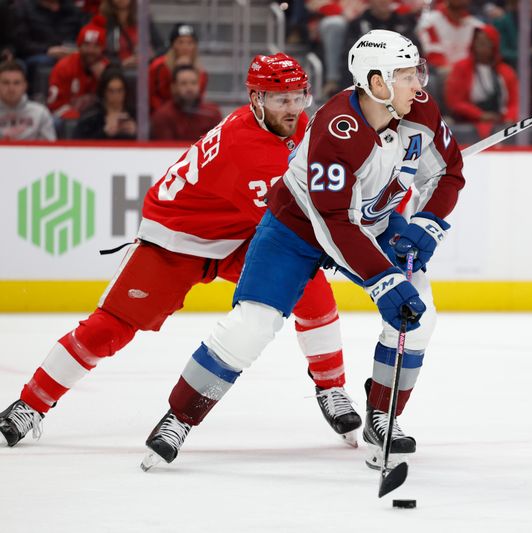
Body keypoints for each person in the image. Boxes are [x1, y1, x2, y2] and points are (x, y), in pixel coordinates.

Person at [140, 30, 465, 471]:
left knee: (420, 315)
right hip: (297, 228)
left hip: (372, 223)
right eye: (406, 75)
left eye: (416, 72)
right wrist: (383, 280)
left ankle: (383, 417)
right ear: (377, 82)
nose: (418, 84)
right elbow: (334, 222)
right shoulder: (337, 129)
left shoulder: (419, 109)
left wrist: (428, 223)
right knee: (251, 325)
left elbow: (447, 173)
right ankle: (178, 417)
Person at [0, 53, 360, 449]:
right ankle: (30, 405)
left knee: (311, 289)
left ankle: (331, 388)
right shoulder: (246, 150)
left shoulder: (293, 125)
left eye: (298, 97)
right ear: (256, 99)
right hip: (176, 238)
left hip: (238, 231)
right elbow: (290, 221)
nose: (292, 110)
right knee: (111, 327)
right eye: (281, 100)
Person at [445, 25, 519, 139]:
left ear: (494, 45)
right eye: (478, 42)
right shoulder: (461, 67)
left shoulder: (507, 71)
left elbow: (515, 102)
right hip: (468, 120)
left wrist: (509, 118)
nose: (481, 47)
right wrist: (479, 115)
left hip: (501, 121)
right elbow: (455, 101)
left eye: (486, 43)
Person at [47, 24, 109, 121]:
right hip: (69, 118)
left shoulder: (108, 68)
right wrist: (79, 120)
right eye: (86, 45)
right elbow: (55, 106)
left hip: (99, 119)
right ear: (79, 46)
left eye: (96, 46)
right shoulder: (64, 67)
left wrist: (105, 79)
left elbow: (116, 105)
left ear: (102, 49)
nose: (90, 50)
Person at [149, 65, 222, 141]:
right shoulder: (163, 116)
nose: (189, 88)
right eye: (183, 83)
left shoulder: (212, 114)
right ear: (173, 87)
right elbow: (163, 150)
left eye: (193, 83)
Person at [148, 23, 207, 113]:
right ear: (173, 45)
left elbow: (198, 101)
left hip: (189, 116)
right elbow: (149, 95)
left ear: (195, 46)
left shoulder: (202, 73)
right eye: (180, 42)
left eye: (190, 42)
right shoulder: (157, 67)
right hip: (160, 115)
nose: (185, 47)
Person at [73, 66, 136, 139]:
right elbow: (78, 144)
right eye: (111, 91)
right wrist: (104, 133)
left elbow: (149, 143)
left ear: (125, 91)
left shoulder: (135, 114)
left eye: (120, 90)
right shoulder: (92, 116)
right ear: (104, 92)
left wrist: (137, 133)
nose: (116, 95)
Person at [0, 60, 56, 140]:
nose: (11, 88)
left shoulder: (40, 113)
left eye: (16, 83)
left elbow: (50, 148)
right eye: (6, 83)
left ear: (25, 86)